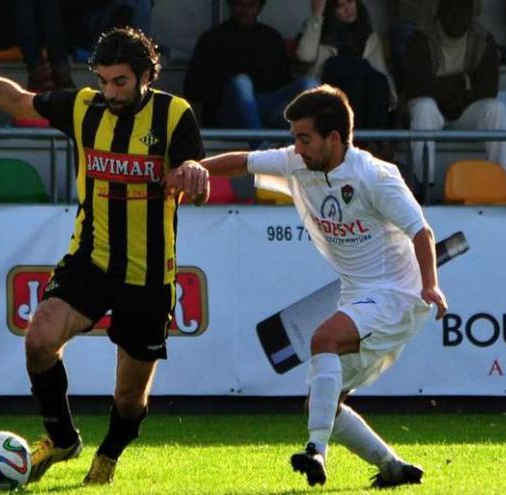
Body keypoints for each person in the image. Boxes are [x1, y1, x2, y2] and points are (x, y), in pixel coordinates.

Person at [0, 27, 207, 484]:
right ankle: (61, 438)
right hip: (90, 259)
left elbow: (189, 179)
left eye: (120, 82)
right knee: (39, 340)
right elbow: (21, 101)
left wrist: (193, 172)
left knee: (129, 395)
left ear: (144, 76)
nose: (110, 91)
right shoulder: (84, 107)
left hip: (148, 273)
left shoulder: (174, 114)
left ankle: (110, 454)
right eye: (103, 80)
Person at [167, 85, 447, 488]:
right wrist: (192, 169)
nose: (296, 148)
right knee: (323, 402)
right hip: (360, 295)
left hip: (397, 293)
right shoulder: (297, 162)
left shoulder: (375, 177)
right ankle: (392, 468)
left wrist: (431, 285)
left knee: (322, 338)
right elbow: (242, 162)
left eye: (304, 138)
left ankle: (316, 450)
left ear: (333, 138)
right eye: (294, 138)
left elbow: (421, 231)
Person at [403, 0, 506, 190]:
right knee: (424, 107)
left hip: (464, 110)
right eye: (452, 8)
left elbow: (488, 89)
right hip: (434, 108)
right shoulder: (421, 37)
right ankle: (422, 186)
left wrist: (443, 88)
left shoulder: (483, 40)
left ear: (472, 13)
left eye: (463, 9)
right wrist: (462, 83)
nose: (457, 15)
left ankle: (505, 183)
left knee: (497, 110)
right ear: (440, 11)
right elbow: (415, 85)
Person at [184, 0, 316, 129]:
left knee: (309, 84)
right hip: (228, 110)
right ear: (231, 6)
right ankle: (260, 146)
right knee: (242, 83)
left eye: (251, 5)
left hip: (267, 107)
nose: (245, 11)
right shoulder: (212, 39)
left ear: (260, 7)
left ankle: (314, 143)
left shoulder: (271, 38)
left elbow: (285, 82)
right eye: (240, 5)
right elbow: (192, 89)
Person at [296, 0, 396, 132]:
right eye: (340, 6)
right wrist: (317, 15)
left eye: (350, 2)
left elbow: (381, 75)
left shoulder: (369, 36)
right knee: (342, 66)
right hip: (329, 95)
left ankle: (375, 140)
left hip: (365, 98)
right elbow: (305, 56)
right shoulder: (320, 31)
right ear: (331, 11)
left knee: (369, 78)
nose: (348, 9)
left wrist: (392, 100)